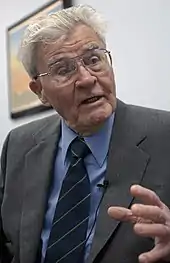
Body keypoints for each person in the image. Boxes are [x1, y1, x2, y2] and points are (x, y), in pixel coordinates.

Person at [0, 4, 170, 263]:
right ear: (39, 91)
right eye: (64, 69)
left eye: (93, 59)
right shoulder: (18, 144)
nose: (87, 79)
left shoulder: (164, 135)